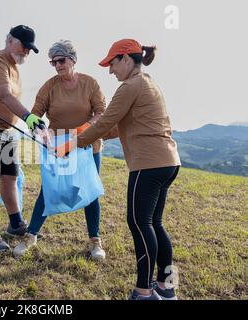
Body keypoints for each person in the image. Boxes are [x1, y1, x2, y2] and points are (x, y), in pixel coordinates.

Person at [72, 39, 181, 300]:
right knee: (154, 222)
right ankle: (166, 288)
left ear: (126, 59)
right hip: (167, 162)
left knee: (138, 222)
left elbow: (106, 121)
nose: (110, 71)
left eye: (112, 63)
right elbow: (115, 127)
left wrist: (71, 144)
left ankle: (143, 291)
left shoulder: (130, 86)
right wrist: (76, 139)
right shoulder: (148, 82)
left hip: (148, 164)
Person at [13, 40, 110, 260]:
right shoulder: (50, 86)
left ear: (73, 60)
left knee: (90, 191)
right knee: (48, 189)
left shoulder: (90, 83)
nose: (57, 65)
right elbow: (36, 114)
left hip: (87, 146)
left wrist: (83, 131)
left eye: (61, 60)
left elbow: (101, 112)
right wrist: (38, 128)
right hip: (57, 147)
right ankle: (31, 235)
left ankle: (95, 240)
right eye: (53, 62)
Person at [0, 25, 45, 251]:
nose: (26, 52)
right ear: (10, 40)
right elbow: (4, 95)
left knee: (10, 176)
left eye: (30, 49)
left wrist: (25, 121)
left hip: (6, 131)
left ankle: (15, 224)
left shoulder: (14, 66)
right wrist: (28, 117)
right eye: (24, 46)